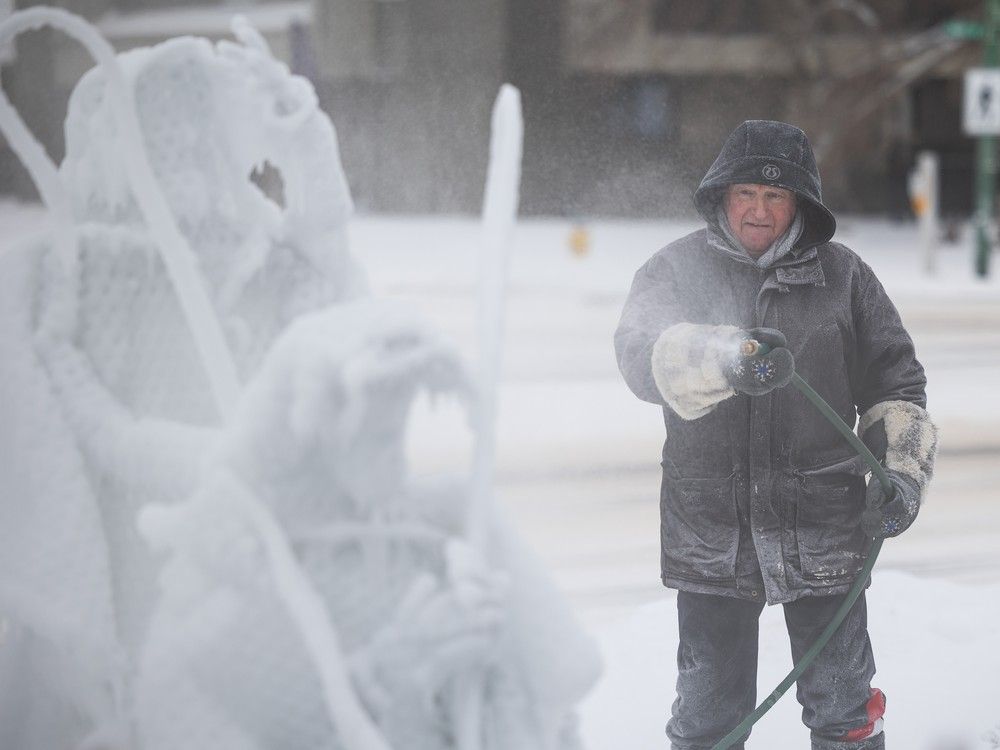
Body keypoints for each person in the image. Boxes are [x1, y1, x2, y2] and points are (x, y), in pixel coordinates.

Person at [614, 120, 938, 750]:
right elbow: (638, 353)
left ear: (800, 206)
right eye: (745, 195)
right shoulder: (674, 269)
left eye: (776, 197)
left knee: (846, 712)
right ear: (721, 197)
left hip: (824, 531)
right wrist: (723, 357)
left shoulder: (845, 279)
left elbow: (897, 380)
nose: (758, 211)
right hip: (713, 534)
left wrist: (899, 470)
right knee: (709, 718)